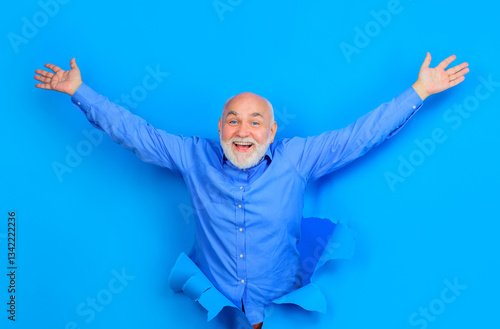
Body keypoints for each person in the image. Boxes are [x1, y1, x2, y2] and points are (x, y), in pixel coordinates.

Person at [34, 53, 469, 329]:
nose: (244, 130)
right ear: (220, 127)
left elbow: (359, 136)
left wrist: (419, 91)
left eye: (255, 120)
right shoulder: (192, 156)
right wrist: (78, 92)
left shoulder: (297, 158)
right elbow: (134, 132)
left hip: (285, 308)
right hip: (216, 308)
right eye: (233, 119)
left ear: (272, 130)